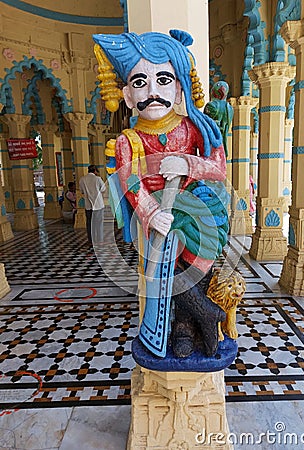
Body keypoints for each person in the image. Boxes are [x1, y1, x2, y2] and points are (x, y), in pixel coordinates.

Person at [93, 29, 229, 360]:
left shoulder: (194, 128)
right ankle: (197, 320)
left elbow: (218, 168)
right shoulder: (128, 140)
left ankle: (190, 324)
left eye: (163, 80)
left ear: (179, 87)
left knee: (196, 268)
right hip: (156, 221)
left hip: (198, 211)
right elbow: (131, 183)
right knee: (163, 275)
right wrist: (153, 213)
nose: (152, 92)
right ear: (127, 96)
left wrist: (185, 162)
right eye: (140, 83)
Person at [204, 81, 233, 158]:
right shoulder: (230, 108)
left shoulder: (211, 105)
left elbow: (206, 123)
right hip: (223, 139)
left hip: (211, 140)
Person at [79, 165, 106, 245]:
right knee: (99, 223)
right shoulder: (98, 179)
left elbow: (82, 191)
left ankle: (91, 240)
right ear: (95, 171)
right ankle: (99, 240)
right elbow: (103, 189)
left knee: (89, 223)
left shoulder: (82, 179)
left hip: (88, 205)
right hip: (98, 205)